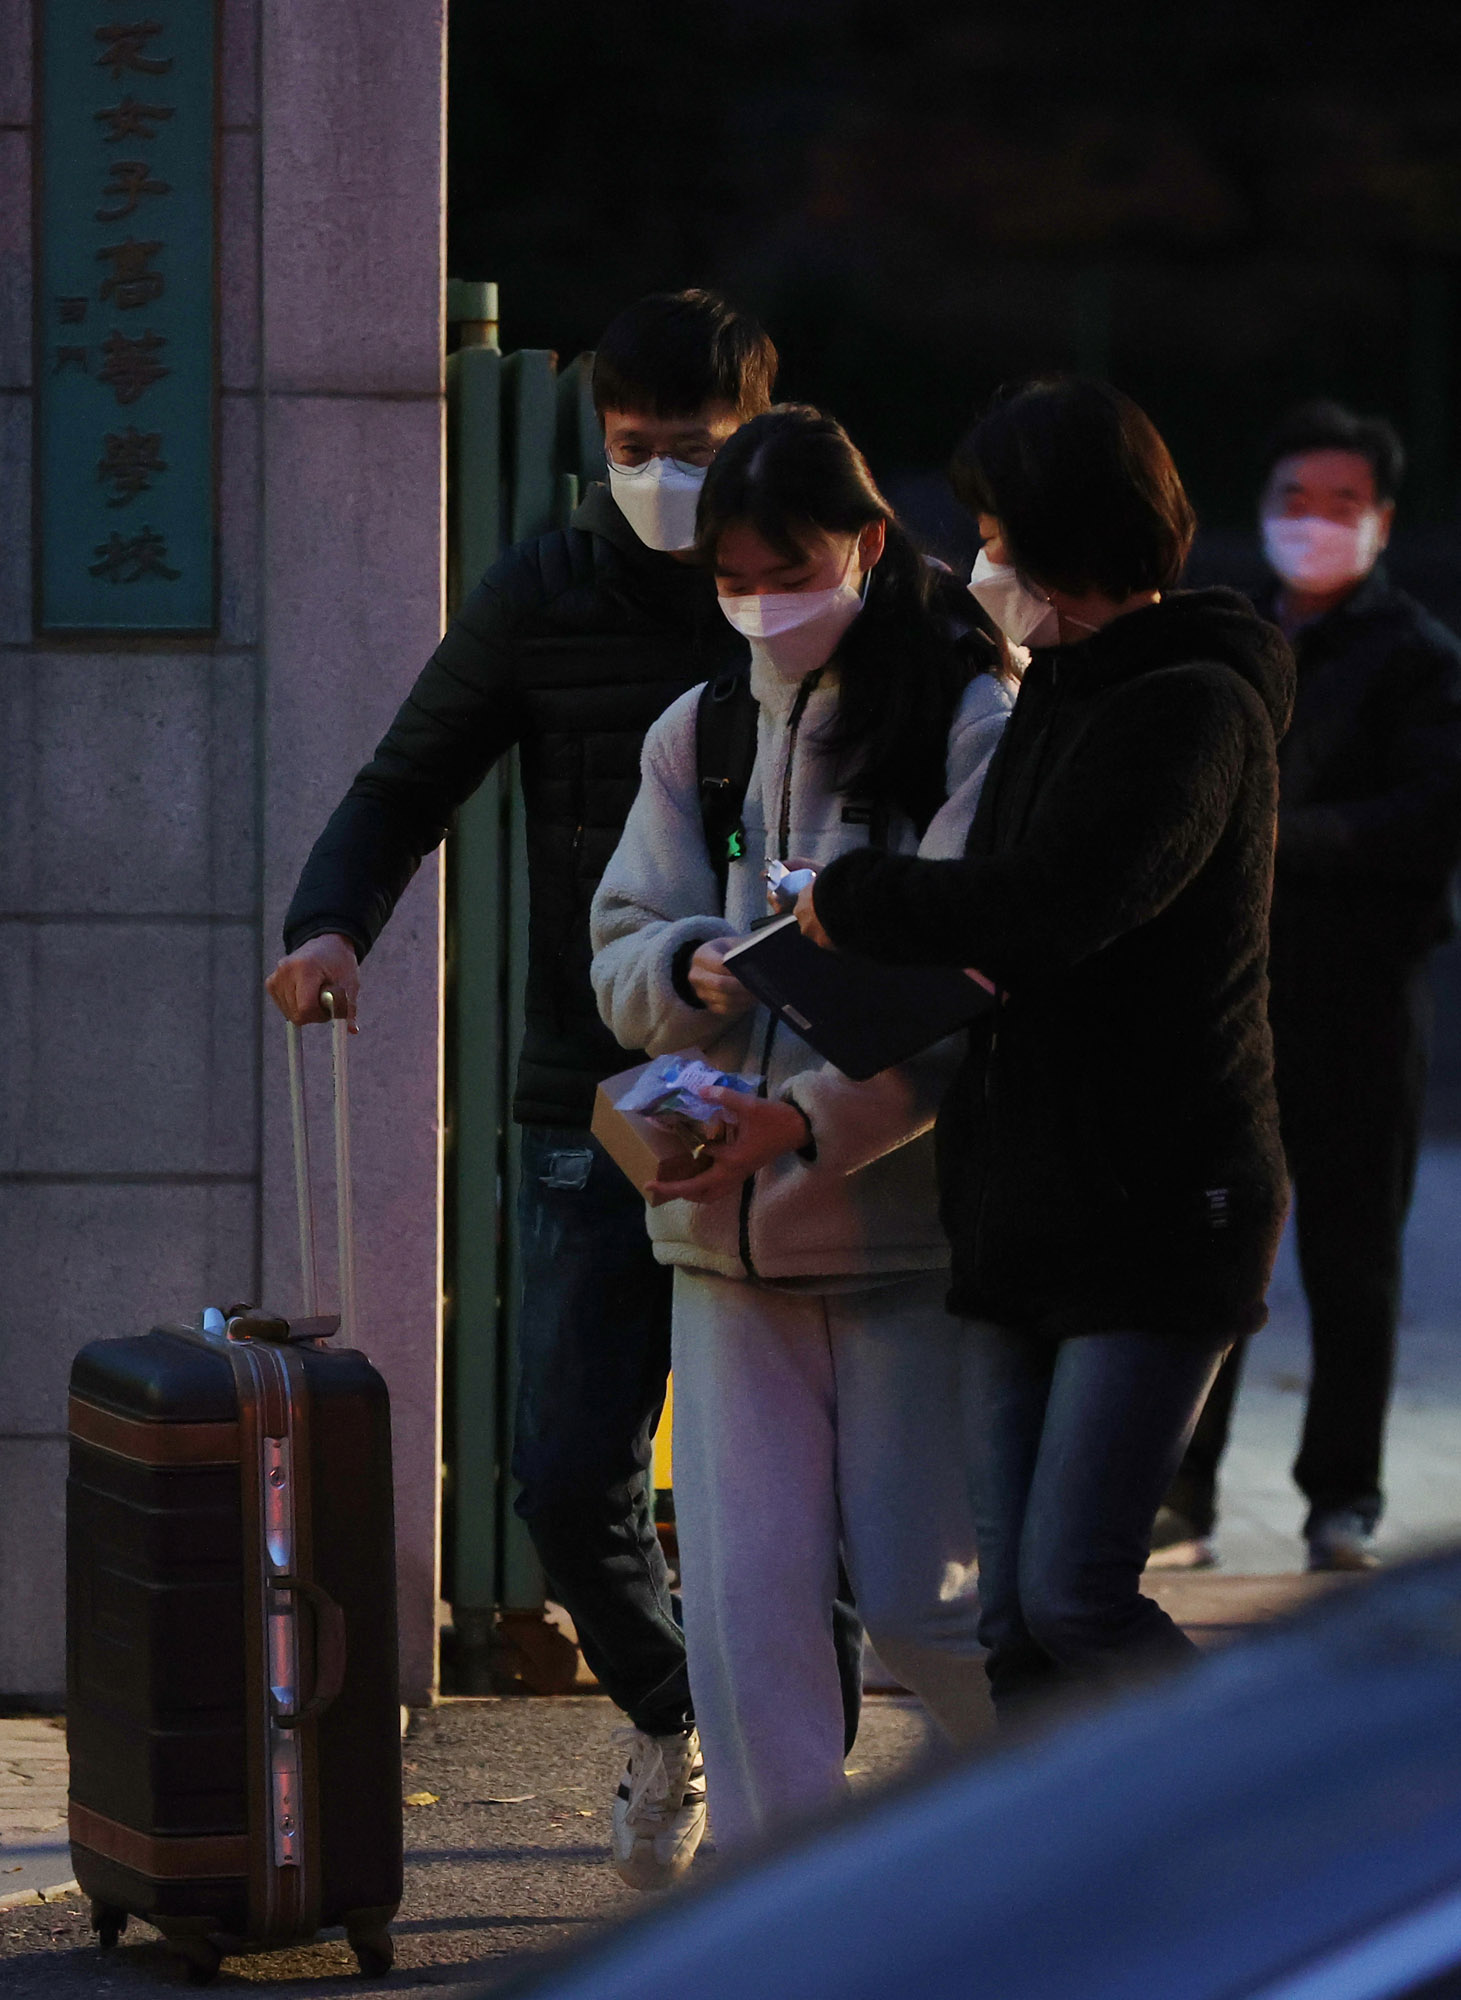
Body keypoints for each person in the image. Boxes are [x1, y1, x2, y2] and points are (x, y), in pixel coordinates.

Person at [266, 290, 865, 1890]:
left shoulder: (827, 592)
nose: (665, 480)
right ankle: (682, 1710)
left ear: (762, 431)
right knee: (568, 1467)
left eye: (695, 450)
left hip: (806, 1089)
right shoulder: (547, 591)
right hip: (598, 1087)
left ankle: (803, 1768)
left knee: (806, 1466)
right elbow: (410, 776)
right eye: (633, 451)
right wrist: (327, 923)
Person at [795, 378, 1296, 1719]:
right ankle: (1082, 1910)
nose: (986, 561)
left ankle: (1276, 1815)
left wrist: (850, 902)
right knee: (1015, 1621)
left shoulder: (1192, 704)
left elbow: (1052, 908)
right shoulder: (1061, 693)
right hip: (1023, 1209)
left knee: (1079, 1595)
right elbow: (996, 922)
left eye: (1000, 531)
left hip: (1157, 1208)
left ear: (1071, 534)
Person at [591, 405, 1011, 1848]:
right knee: (747, 1612)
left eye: (793, 568)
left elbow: (971, 994)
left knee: (923, 1606)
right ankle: (773, 1931)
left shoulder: (971, 719)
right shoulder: (699, 729)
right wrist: (687, 964)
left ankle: (1081, 1831)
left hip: (901, 1249)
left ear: (869, 544)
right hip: (718, 1241)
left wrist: (810, 1125)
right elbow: (617, 945)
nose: (765, 603)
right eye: (737, 576)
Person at [1153, 401, 1461, 1573]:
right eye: (1295, 500)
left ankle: (1343, 1495)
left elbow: (1430, 818)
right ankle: (1184, 1487)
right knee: (1216, 1239)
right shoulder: (1228, 641)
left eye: (1343, 504)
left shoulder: (1420, 658)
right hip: (1235, 992)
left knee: (1351, 1254)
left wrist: (1275, 837)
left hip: (1363, 994)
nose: (1315, 525)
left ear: (1384, 519)